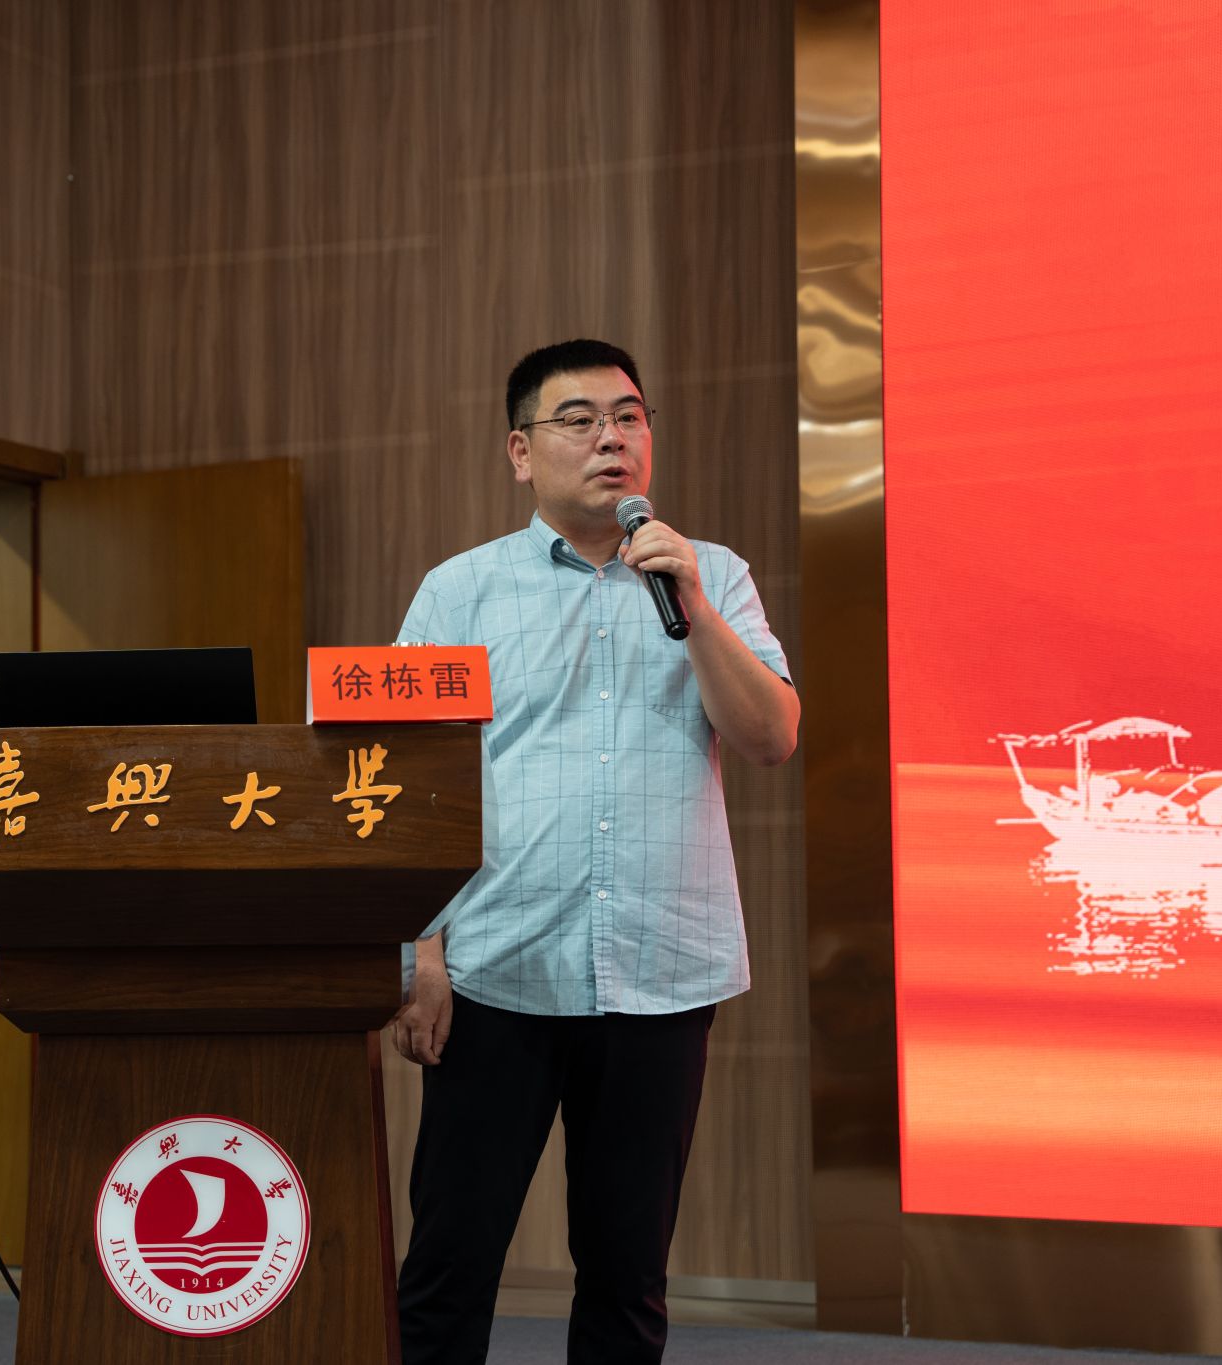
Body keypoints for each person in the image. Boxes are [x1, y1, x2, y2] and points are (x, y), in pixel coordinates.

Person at [388, 339, 799, 1365]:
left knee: (626, 1277)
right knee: (447, 1266)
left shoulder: (713, 576)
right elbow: (405, 779)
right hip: (496, 972)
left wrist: (692, 604)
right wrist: (420, 952)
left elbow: (769, 737)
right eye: (578, 420)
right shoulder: (459, 593)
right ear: (521, 452)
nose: (611, 437)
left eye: (628, 416)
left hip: (660, 972)